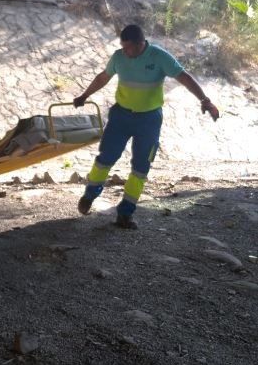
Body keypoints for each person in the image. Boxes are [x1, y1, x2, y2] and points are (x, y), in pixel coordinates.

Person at [72, 24, 219, 229]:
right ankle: (89, 195)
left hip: (149, 121)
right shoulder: (119, 57)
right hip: (120, 117)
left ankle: (125, 214)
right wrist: (84, 95)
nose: (125, 51)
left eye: (129, 47)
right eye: (122, 47)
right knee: (105, 158)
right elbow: (103, 77)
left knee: (141, 168)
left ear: (141, 44)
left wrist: (205, 100)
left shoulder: (159, 56)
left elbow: (184, 77)